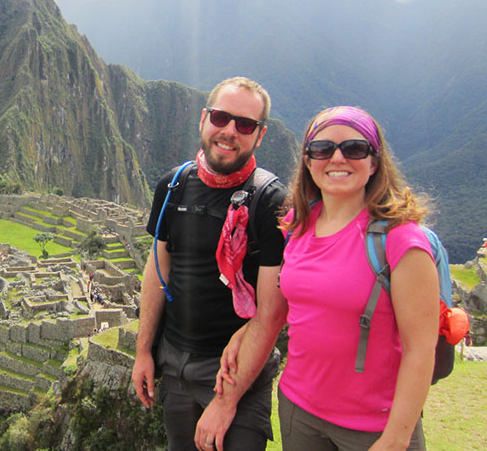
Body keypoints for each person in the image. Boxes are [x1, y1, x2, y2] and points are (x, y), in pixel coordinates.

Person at [213, 106, 439, 450]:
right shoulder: (297, 224)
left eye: (354, 149)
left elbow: (420, 349)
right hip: (298, 410)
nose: (337, 158)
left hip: (372, 425)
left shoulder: (400, 240)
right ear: (307, 159)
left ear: (375, 162)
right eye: (322, 149)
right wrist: (245, 332)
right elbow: (302, 301)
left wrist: (396, 437)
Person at [132, 77, 287, 451]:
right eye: (221, 117)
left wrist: (226, 400)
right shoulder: (174, 186)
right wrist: (143, 352)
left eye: (245, 125)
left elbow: (272, 313)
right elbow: (158, 271)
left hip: (236, 373)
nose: (230, 131)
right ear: (204, 119)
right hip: (173, 361)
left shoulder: (270, 202)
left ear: (259, 136)